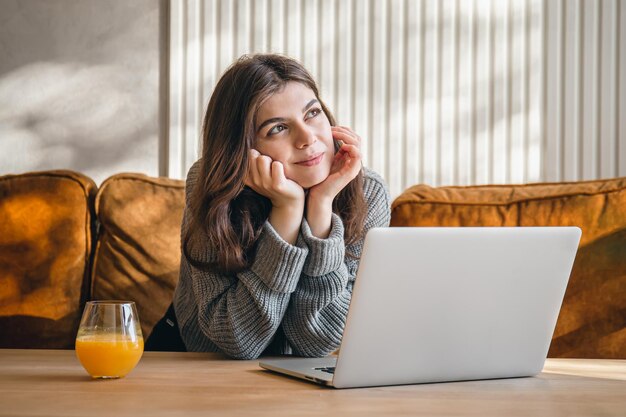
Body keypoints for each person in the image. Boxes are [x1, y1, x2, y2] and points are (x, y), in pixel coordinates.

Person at [146, 54, 391, 359]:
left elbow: (319, 343)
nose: (307, 138)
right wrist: (287, 211)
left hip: (299, 380)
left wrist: (321, 209)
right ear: (244, 146)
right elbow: (235, 342)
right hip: (192, 363)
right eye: (277, 128)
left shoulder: (366, 191)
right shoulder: (211, 183)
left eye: (312, 113)